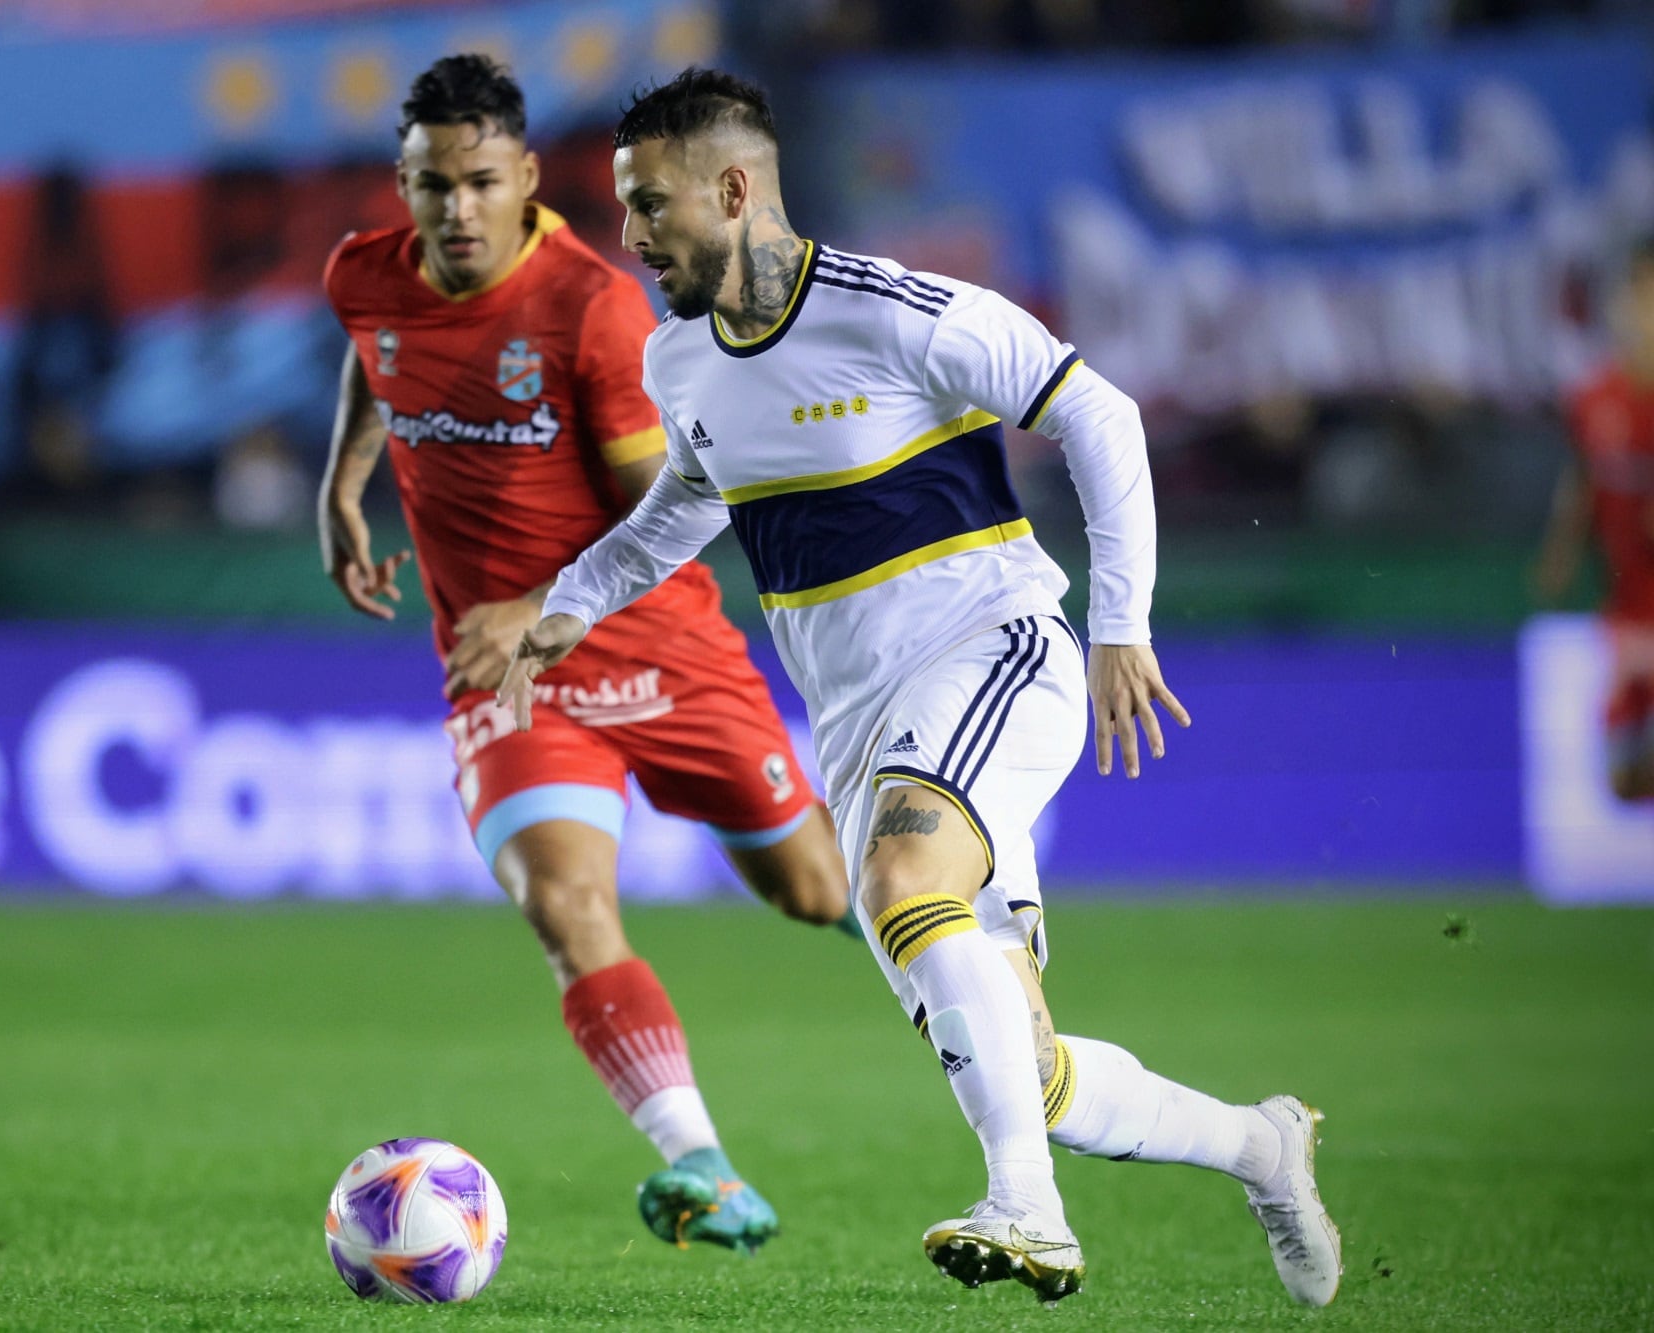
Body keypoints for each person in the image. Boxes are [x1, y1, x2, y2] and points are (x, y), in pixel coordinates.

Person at [501, 68, 1342, 1305]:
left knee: (901, 879)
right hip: (855, 725)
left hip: (990, 649)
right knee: (1033, 1071)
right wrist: (566, 600)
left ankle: (1028, 1215)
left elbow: (1098, 416)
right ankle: (1259, 1145)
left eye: (648, 205)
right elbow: (678, 509)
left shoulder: (902, 312)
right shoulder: (682, 363)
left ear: (732, 190)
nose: (629, 234)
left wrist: (1119, 624)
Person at [319, 55, 852, 1254]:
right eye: (427, 183)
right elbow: (374, 351)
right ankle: (703, 1167)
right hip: (508, 678)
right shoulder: (363, 275)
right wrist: (343, 491)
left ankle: (978, 978)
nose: (453, 209)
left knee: (814, 889)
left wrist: (529, 600)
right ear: (402, 185)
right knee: (565, 906)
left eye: (478, 182)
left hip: (650, 645)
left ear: (523, 182)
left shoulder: (592, 308)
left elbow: (663, 523)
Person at [1537, 237, 1654, 801]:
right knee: (1623, 782)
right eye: (1641, 296)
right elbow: (1583, 477)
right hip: (1626, 602)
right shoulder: (1594, 396)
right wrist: (1559, 552)